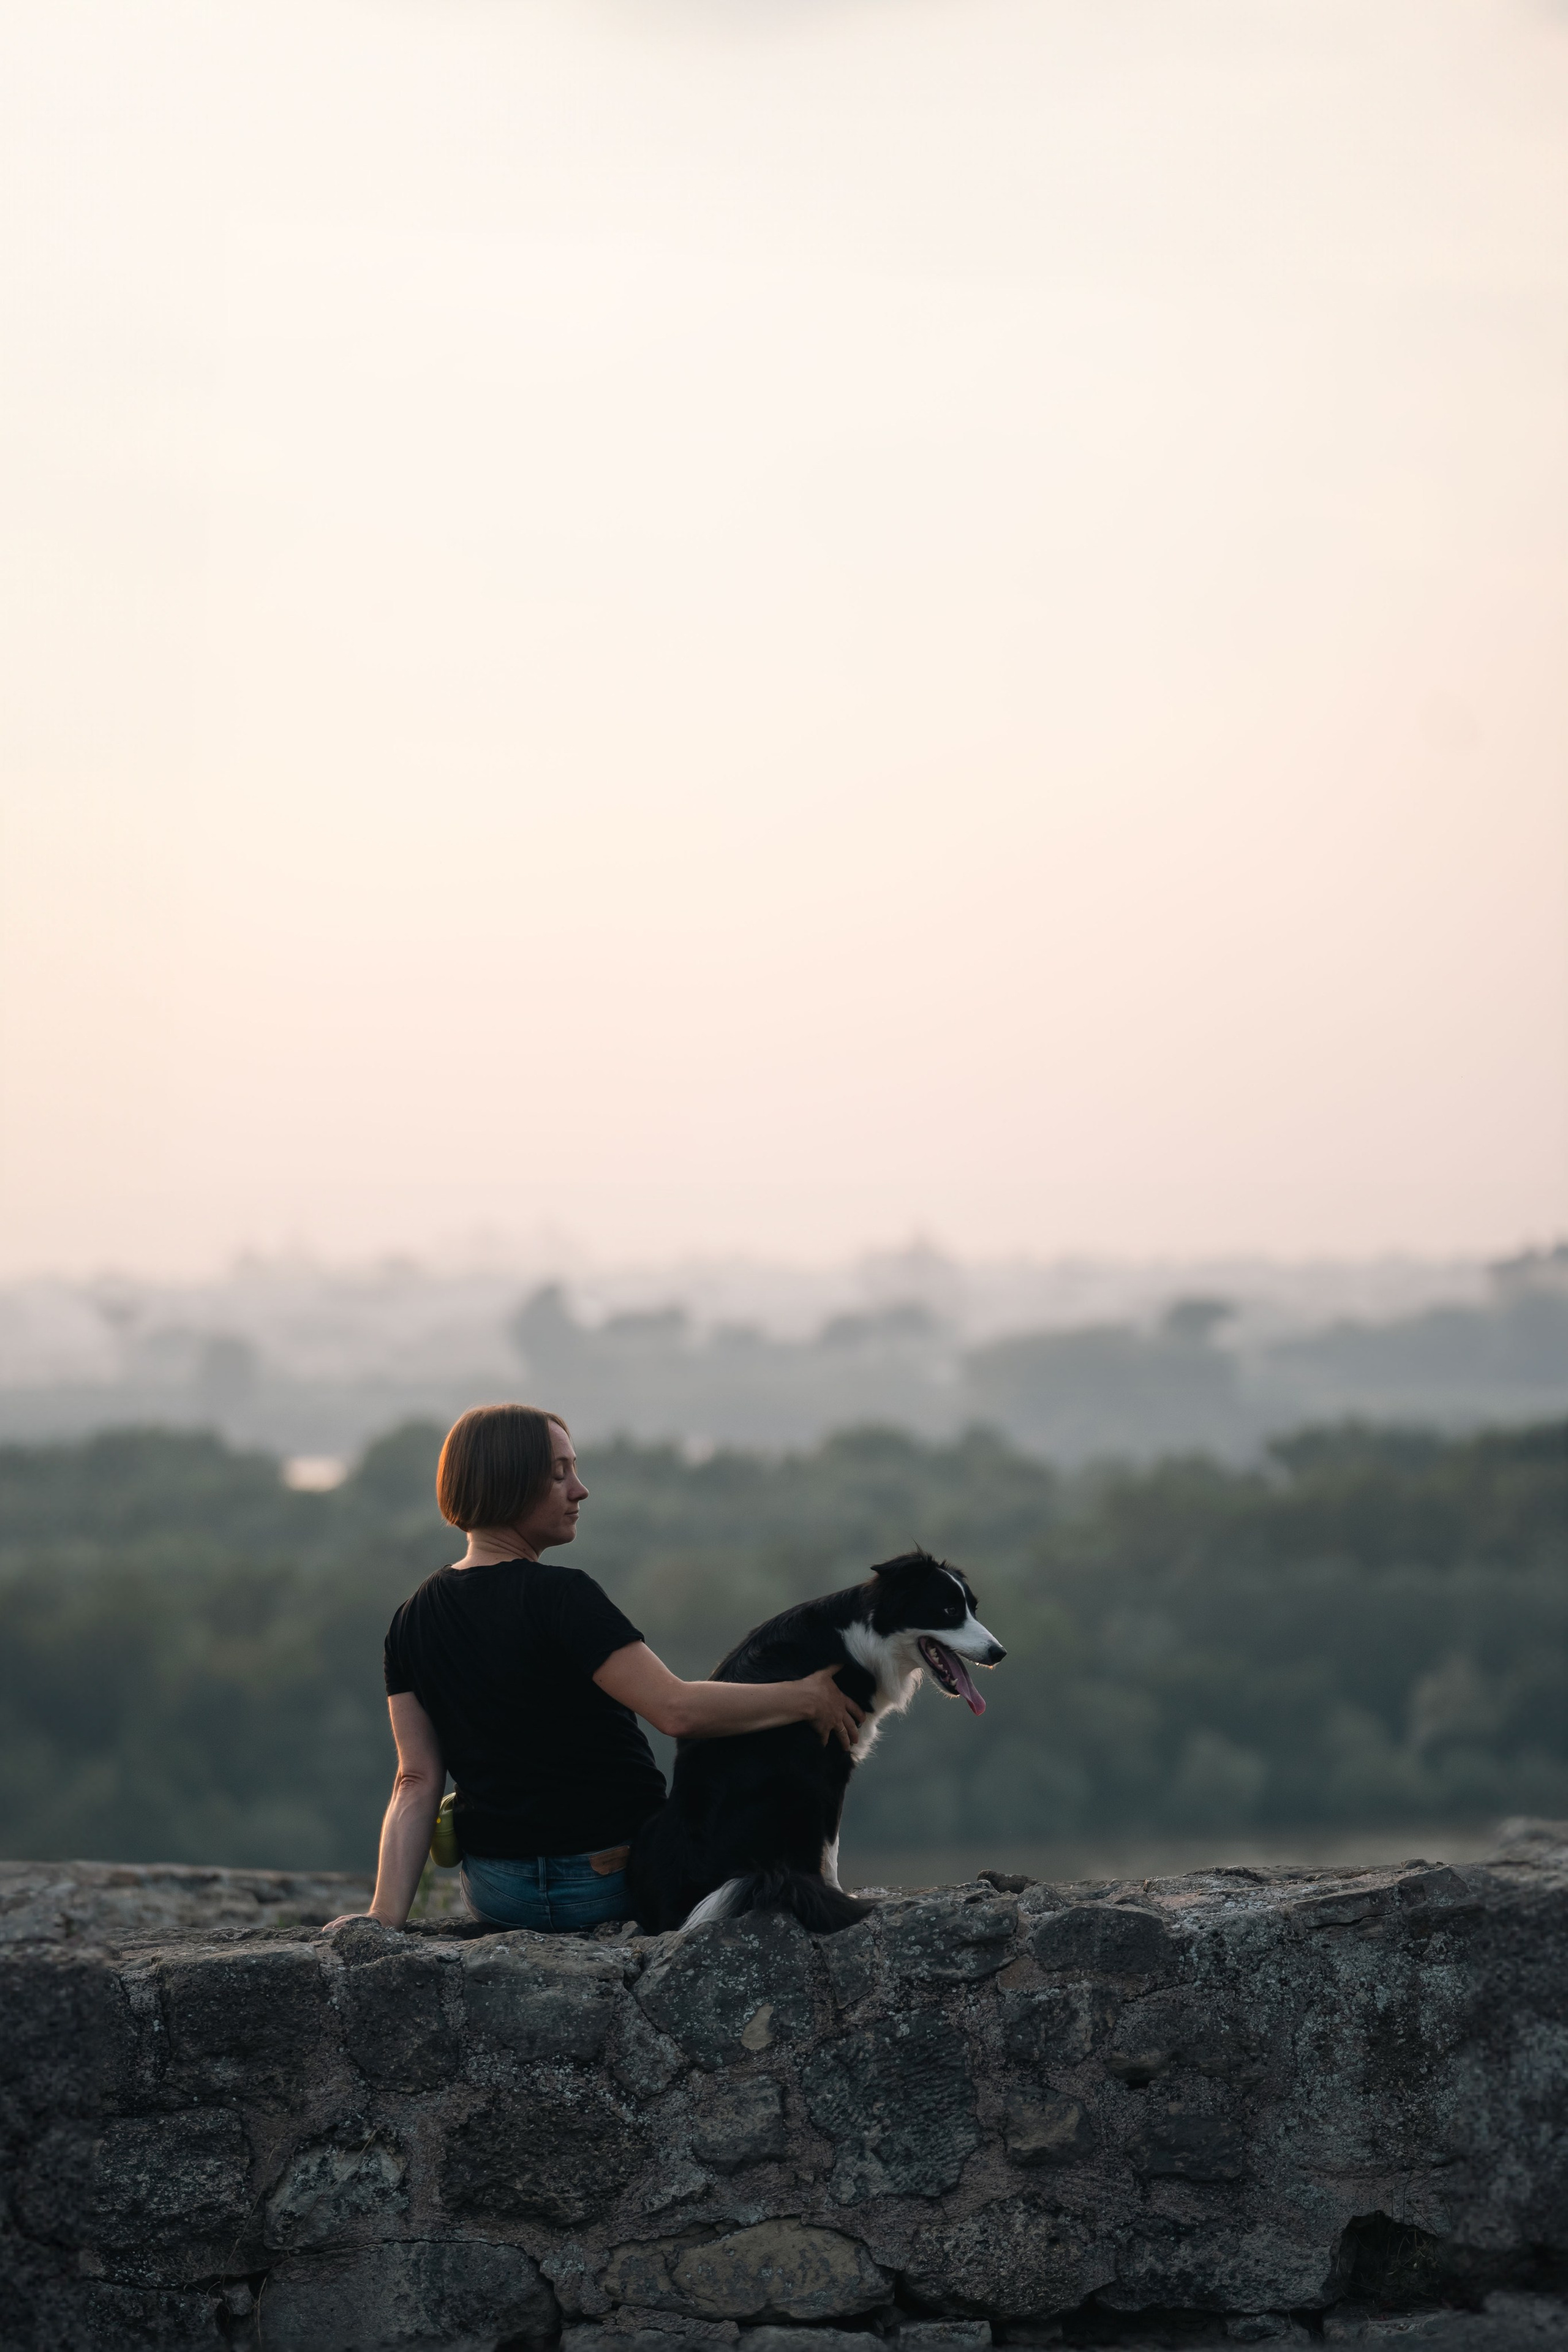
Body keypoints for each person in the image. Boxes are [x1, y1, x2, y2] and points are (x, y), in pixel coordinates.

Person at [324, 1401, 863, 1934]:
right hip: (611, 1881)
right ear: (510, 1483)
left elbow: (415, 1780)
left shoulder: (410, 1619)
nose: (579, 1490)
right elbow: (675, 1710)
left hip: (498, 1894)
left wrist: (382, 1917)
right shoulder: (563, 1596)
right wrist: (806, 1697)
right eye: (560, 1475)